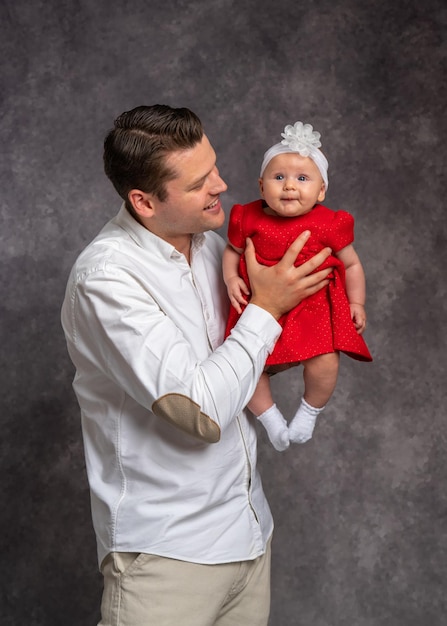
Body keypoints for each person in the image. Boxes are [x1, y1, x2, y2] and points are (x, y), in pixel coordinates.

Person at [61, 105, 333, 626]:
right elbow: (202, 411)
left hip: (249, 537)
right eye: (200, 181)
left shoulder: (218, 251)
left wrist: (320, 321)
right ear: (143, 201)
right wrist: (268, 307)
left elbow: (244, 367)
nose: (223, 185)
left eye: (214, 167)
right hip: (166, 559)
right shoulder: (107, 280)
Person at [223, 121, 372, 452]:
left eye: (302, 178)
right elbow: (232, 253)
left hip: (312, 309)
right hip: (259, 306)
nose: (289, 186)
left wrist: (357, 303)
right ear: (262, 187)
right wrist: (232, 278)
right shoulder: (247, 217)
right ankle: (270, 417)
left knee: (325, 362)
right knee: (249, 367)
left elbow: (352, 264)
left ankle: (309, 410)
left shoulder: (329, 223)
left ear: (321, 191)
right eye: (279, 178)